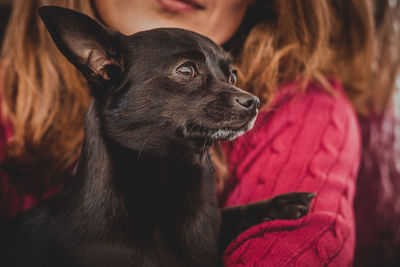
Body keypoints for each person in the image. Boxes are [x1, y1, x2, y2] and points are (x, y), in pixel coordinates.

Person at [0, 0, 399, 266]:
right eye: (186, 72)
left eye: (232, 76)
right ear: (96, 61)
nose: (245, 99)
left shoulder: (310, 114)